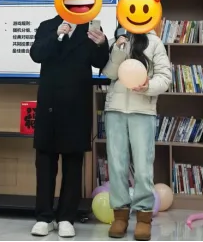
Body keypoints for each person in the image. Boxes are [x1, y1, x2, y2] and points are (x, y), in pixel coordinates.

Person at [29, 15, 109, 237]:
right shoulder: (47, 26)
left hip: (77, 105)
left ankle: (66, 217)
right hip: (50, 105)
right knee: (45, 164)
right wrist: (57, 34)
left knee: (73, 164)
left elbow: (100, 62)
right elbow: (36, 54)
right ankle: (44, 217)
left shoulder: (89, 27)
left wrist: (102, 43)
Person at [102, 27, 171, 241]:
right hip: (115, 110)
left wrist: (148, 86)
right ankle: (120, 216)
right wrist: (117, 49)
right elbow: (109, 74)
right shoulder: (117, 40)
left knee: (143, 167)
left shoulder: (155, 42)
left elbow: (165, 78)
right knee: (117, 165)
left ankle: (143, 217)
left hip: (143, 110)